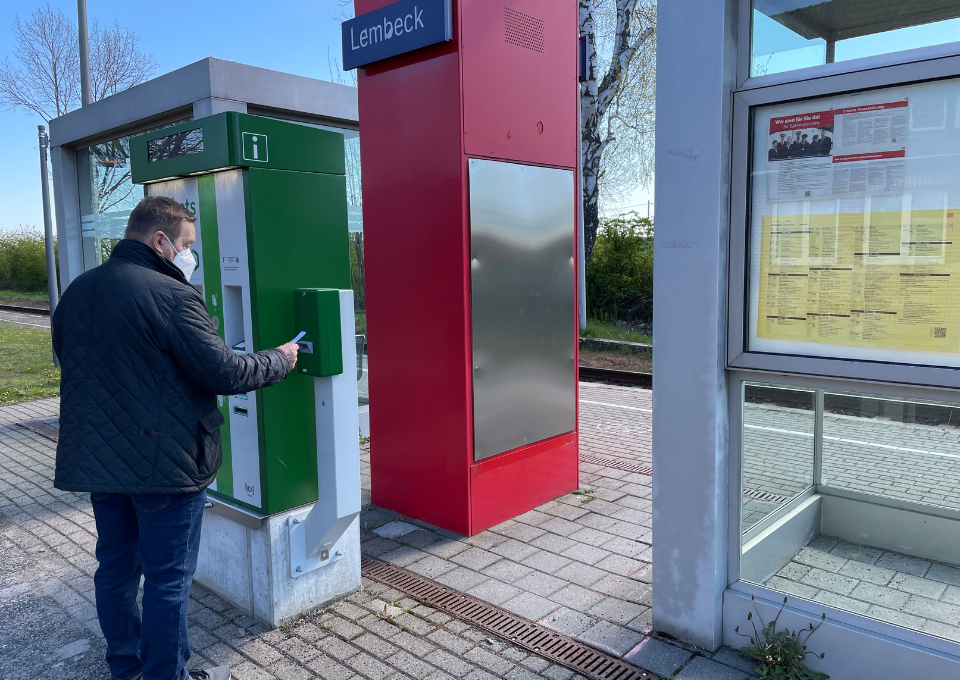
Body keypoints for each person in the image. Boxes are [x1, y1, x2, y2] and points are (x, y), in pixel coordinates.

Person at [52, 196, 300, 680]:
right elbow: (223, 371)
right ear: (160, 240)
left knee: (116, 572)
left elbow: (74, 360)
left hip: (102, 463)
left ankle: (126, 669)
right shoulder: (172, 295)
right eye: (187, 244)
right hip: (167, 466)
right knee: (168, 581)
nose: (190, 255)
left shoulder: (78, 291)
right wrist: (280, 358)